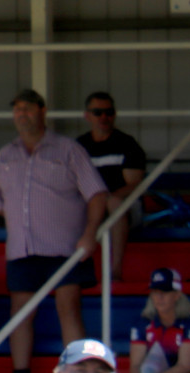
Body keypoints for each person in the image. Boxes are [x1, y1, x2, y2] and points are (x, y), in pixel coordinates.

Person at [0, 89, 107, 373]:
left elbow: (96, 194)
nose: (22, 114)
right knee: (20, 313)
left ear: (43, 111)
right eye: (17, 109)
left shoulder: (68, 150)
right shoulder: (5, 156)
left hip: (65, 246)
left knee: (68, 307)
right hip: (22, 248)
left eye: (27, 108)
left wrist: (90, 232)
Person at [77, 92, 146, 281]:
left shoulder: (127, 144)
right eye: (98, 112)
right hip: (90, 204)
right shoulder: (78, 147)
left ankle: (115, 271)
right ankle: (71, 273)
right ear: (87, 115)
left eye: (109, 112)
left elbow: (134, 185)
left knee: (115, 203)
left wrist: (105, 198)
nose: (104, 117)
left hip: (124, 207)